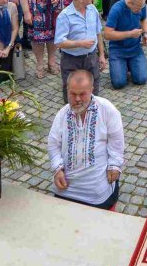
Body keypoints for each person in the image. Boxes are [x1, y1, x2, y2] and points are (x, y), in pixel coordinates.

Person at [48, 69, 124, 210]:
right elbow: (53, 143)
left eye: (82, 94)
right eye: (73, 94)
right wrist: (57, 169)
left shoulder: (107, 110)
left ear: (91, 90)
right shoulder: (62, 113)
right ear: (67, 90)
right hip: (67, 188)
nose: (77, 99)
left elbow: (116, 140)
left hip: (96, 190)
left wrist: (114, 165)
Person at [54, 0, 106, 96]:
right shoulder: (65, 16)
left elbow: (98, 33)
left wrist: (101, 55)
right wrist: (80, 43)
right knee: (71, 91)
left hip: (91, 57)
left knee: (94, 88)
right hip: (71, 60)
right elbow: (59, 42)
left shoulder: (93, 10)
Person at [103, 0, 147, 88]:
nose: (140, 10)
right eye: (137, 9)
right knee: (118, 83)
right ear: (129, 2)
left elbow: (144, 18)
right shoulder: (116, 9)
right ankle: (123, 65)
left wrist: (145, 33)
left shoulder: (141, 5)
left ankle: (129, 65)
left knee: (141, 79)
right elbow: (107, 34)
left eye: (142, 7)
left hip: (135, 49)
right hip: (118, 50)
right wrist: (130, 34)